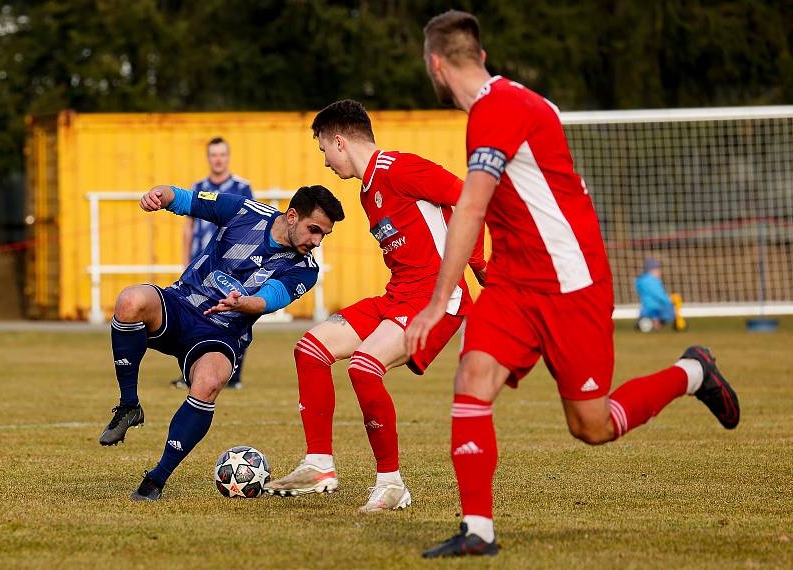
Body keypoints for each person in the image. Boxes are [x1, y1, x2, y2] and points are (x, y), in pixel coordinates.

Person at [406, 10, 740, 557]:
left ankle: (693, 371)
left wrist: (437, 301)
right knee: (473, 375)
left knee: (592, 425)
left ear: (434, 64)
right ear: (481, 57)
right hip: (516, 285)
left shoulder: (500, 109)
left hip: (570, 284)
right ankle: (478, 531)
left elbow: (472, 202)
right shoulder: (507, 103)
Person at [265, 99, 487, 512]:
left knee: (364, 366)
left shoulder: (399, 168)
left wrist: (477, 266)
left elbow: (470, 201)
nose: (326, 162)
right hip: (398, 295)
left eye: (324, 151)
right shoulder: (368, 193)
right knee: (310, 349)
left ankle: (391, 483)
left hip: (438, 299)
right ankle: (319, 464)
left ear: (339, 141)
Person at [98, 183, 344, 501]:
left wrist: (244, 303)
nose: (316, 241)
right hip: (181, 304)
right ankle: (129, 406)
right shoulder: (244, 211)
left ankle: (156, 480)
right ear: (293, 216)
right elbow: (185, 199)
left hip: (222, 333)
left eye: (323, 235)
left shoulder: (305, 270)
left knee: (210, 381)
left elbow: (269, 299)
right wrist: (160, 196)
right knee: (130, 300)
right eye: (314, 230)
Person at [171, 136, 255, 390]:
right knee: (192, 315)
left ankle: (233, 373)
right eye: (213, 155)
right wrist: (185, 260)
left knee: (236, 315)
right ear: (208, 158)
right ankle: (193, 372)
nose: (218, 159)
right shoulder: (198, 187)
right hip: (202, 263)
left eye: (222, 154)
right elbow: (189, 227)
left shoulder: (241, 187)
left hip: (233, 265)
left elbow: (252, 224)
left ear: (228, 157)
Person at [635, 257, 686, 332]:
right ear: (650, 271)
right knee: (669, 310)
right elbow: (659, 295)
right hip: (654, 307)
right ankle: (657, 323)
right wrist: (668, 300)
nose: (660, 272)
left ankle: (654, 323)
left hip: (648, 307)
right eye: (657, 270)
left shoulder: (645, 281)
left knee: (659, 314)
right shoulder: (651, 282)